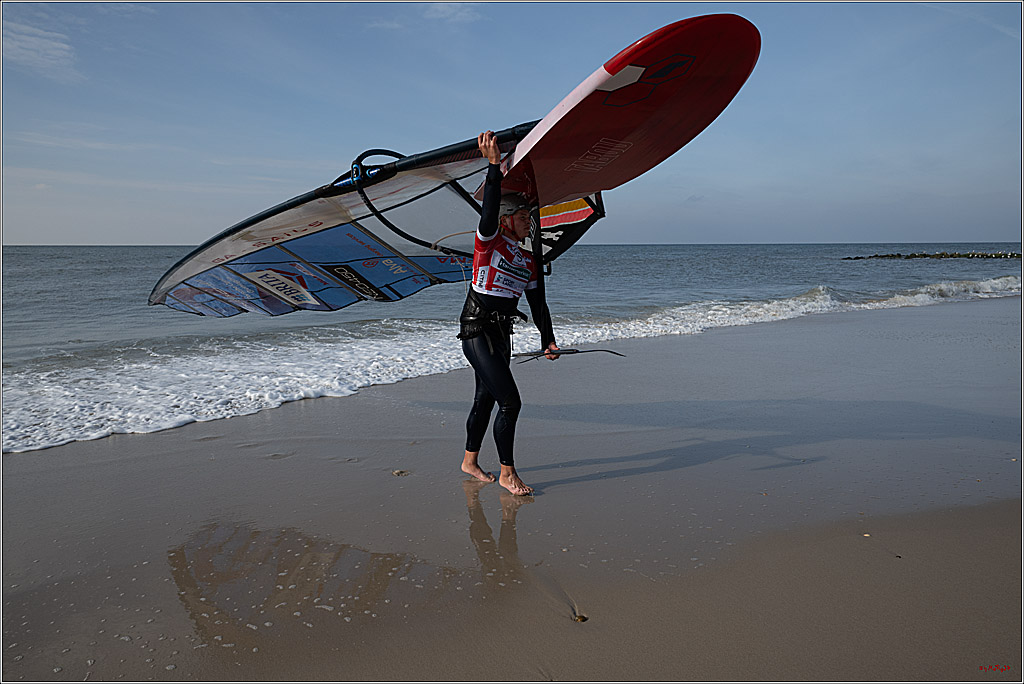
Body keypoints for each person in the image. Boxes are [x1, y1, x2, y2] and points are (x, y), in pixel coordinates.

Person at [458, 130, 560, 496]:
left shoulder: (530, 260)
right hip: (477, 331)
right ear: (505, 219)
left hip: (502, 334)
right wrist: (493, 168)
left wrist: (547, 339)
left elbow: (537, 304)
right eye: (522, 216)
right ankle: (506, 472)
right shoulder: (489, 242)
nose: (528, 221)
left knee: (485, 399)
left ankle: (469, 462)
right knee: (511, 401)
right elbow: (487, 212)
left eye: (529, 216)